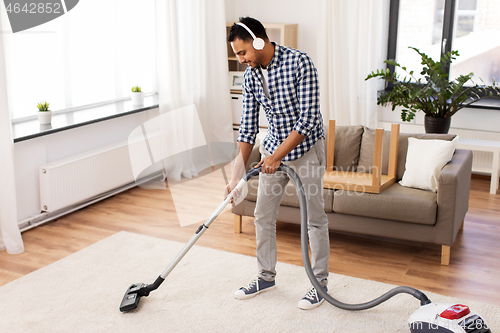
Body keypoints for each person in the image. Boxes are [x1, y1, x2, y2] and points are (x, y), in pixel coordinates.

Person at [224, 17, 330, 310]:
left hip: (305, 148)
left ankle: (319, 284)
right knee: (262, 216)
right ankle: (265, 276)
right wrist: (236, 177)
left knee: (315, 220)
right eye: (237, 55)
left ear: (258, 42)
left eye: (243, 53)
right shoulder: (251, 76)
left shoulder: (300, 63)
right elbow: (246, 129)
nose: (242, 60)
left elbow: (308, 119)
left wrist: (276, 156)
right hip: (273, 151)